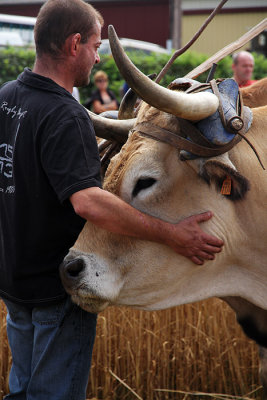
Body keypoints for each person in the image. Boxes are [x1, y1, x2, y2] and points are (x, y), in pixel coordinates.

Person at [0, 0, 223, 399]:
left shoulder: (7, 98)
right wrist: (171, 234)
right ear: (74, 44)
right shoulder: (65, 115)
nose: (98, 55)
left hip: (15, 284)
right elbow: (89, 202)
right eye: (95, 45)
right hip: (57, 289)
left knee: (21, 392)